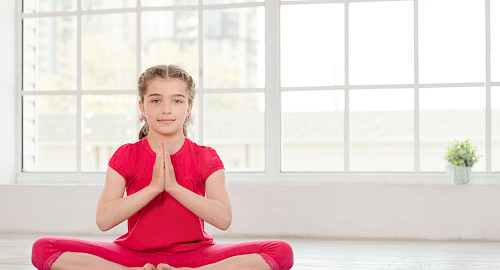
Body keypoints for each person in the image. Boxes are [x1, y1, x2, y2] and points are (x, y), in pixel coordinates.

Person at [31, 64, 294, 270]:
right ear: (142, 107)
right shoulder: (126, 155)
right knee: (44, 248)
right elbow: (104, 220)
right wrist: (155, 187)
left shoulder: (206, 157)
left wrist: (175, 188)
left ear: (189, 108)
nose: (166, 109)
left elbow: (223, 219)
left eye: (177, 101)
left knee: (280, 251)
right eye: (156, 100)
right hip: (133, 255)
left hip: (194, 255)